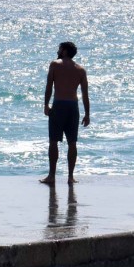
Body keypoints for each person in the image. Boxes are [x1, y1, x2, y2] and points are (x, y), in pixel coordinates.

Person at [40, 41, 90, 185]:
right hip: (73, 107)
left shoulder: (55, 64)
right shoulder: (81, 70)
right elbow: (85, 94)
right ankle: (70, 177)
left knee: (53, 141)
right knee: (72, 142)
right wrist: (87, 114)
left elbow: (49, 87)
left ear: (65, 51)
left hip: (59, 105)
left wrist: (46, 105)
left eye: (60, 49)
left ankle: (51, 176)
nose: (58, 50)